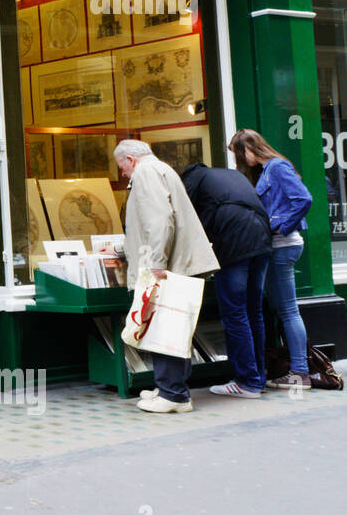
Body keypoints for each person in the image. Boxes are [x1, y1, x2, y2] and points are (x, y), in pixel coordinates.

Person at [115, 140, 220, 413]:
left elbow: (160, 220)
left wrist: (157, 263)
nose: (123, 174)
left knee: (164, 328)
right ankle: (170, 389)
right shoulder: (162, 169)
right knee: (173, 327)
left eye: (121, 168)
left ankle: (174, 396)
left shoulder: (145, 173)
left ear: (130, 159)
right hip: (178, 263)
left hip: (167, 266)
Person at [229, 129, 315, 389]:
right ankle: (297, 370)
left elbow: (304, 199)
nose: (240, 161)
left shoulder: (276, 167)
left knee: (288, 310)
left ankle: (300, 373)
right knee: (284, 310)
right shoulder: (268, 170)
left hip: (283, 245)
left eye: (238, 154)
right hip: (279, 246)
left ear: (248, 149)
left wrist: (281, 227)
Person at [180, 162, 272, 397]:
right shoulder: (230, 175)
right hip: (262, 238)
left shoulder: (194, 179)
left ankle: (247, 382)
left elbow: (185, 217)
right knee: (254, 312)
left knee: (235, 313)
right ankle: (258, 377)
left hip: (234, 243)